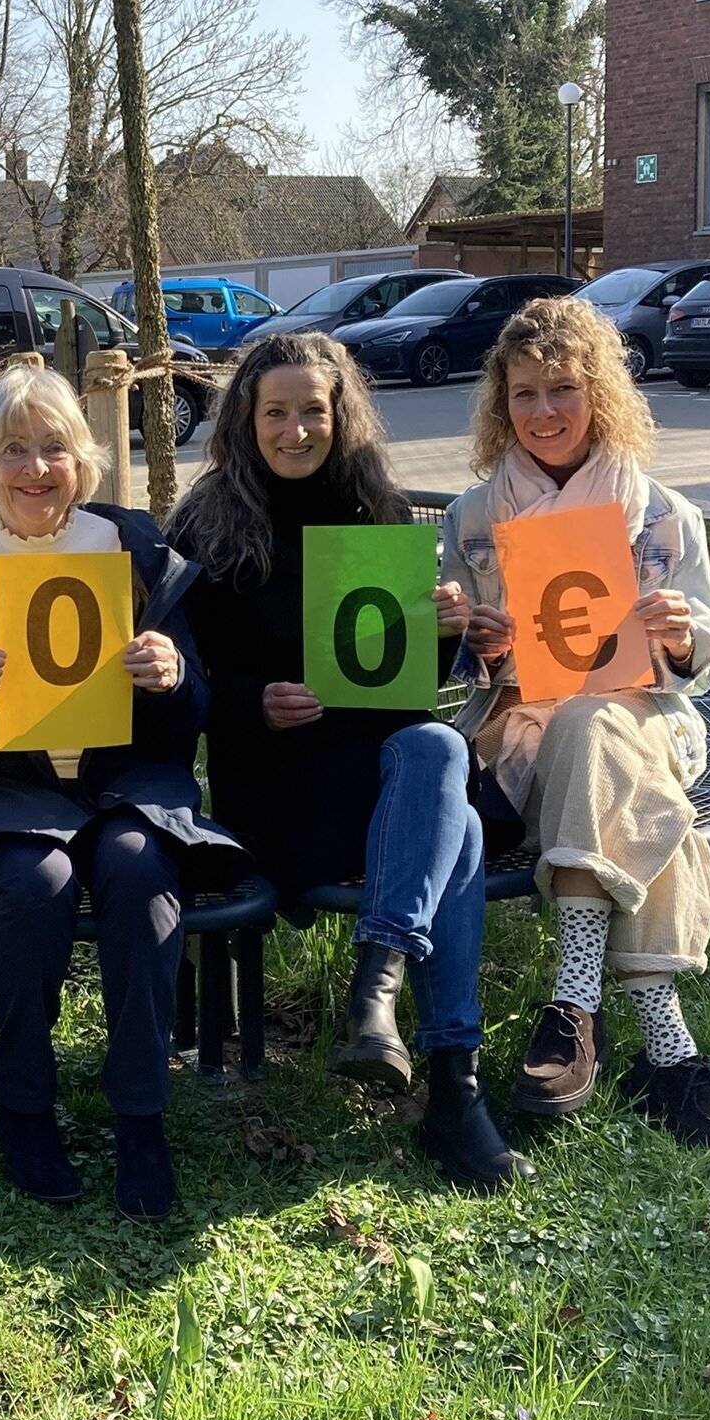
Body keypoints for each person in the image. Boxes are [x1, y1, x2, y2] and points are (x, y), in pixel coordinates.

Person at [167, 332, 530, 1191]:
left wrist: (444, 635)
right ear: (246, 419)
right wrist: (252, 701)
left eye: (313, 411)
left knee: (437, 745)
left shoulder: (377, 511)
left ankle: (383, 985)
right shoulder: (206, 525)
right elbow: (181, 684)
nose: (295, 430)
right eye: (276, 412)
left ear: (341, 416)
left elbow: (402, 694)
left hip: (382, 787)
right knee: (458, 833)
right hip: (273, 792)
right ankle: (451, 1090)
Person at [0, 364, 244, 1223]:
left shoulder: (134, 548)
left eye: (54, 448)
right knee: (34, 882)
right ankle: (25, 1103)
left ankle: (140, 1114)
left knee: (140, 870)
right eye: (14, 450)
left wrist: (171, 676)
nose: (36, 468)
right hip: (3, 792)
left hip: (127, 786)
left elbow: (196, 708)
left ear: (82, 461)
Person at [444, 294, 710, 1145]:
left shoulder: (664, 515)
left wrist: (680, 635)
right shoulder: (474, 517)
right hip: (519, 733)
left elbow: (704, 661)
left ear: (600, 394)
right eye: (524, 394)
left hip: (642, 716)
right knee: (623, 776)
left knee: (596, 727)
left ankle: (575, 1002)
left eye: (563, 390)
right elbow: (460, 660)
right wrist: (477, 642)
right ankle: (668, 1048)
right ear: (502, 404)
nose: (543, 411)